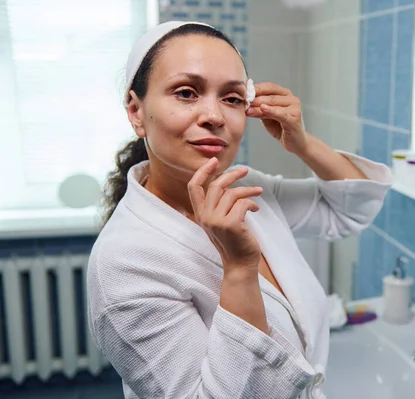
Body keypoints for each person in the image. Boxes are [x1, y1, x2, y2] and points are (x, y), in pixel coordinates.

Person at [86, 21, 392, 399]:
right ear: (135, 111)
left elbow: (350, 209)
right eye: (186, 92)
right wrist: (240, 270)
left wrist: (304, 144)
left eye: (231, 98)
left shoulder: (246, 191)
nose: (214, 115)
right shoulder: (124, 265)